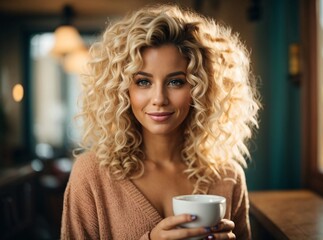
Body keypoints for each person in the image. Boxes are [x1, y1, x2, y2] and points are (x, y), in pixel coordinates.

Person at [61, 3, 260, 240]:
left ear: (201, 88)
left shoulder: (228, 176)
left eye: (175, 82)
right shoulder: (91, 174)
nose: (159, 99)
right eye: (143, 82)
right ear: (122, 90)